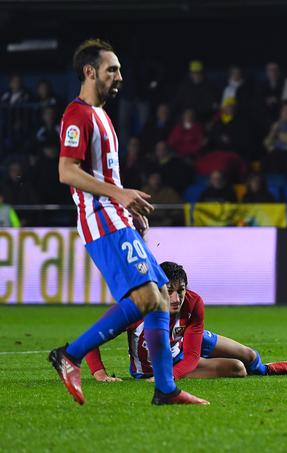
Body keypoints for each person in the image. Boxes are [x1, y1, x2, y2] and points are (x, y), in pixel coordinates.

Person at [48, 38, 207, 406]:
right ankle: (69, 355)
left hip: (117, 217)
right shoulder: (78, 114)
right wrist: (117, 197)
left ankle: (165, 389)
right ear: (90, 72)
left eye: (119, 69)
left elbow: (103, 176)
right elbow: (66, 171)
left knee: (157, 295)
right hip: (101, 221)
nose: (119, 76)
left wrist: (125, 204)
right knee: (148, 297)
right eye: (112, 70)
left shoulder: (102, 116)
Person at [84, 261, 287, 381]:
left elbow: (193, 355)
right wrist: (100, 374)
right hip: (157, 368)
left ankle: (265, 370)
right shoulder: (136, 306)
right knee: (238, 368)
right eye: (169, 292)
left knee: (249, 355)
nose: (176, 299)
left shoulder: (194, 302)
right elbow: (90, 340)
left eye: (181, 291)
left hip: (184, 346)